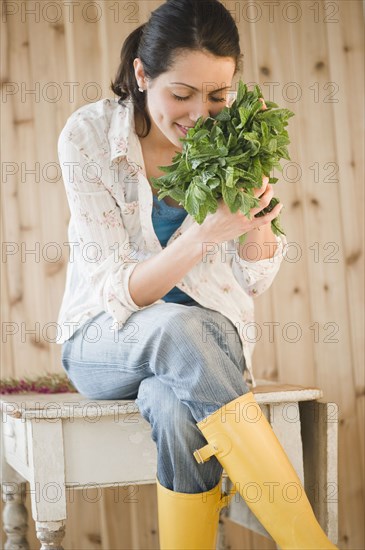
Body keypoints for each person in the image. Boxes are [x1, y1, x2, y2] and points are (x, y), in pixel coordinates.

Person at [57, 0, 337, 548]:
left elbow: (252, 279)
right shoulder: (88, 137)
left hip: (208, 348)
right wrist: (204, 233)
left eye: (217, 96)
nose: (200, 114)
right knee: (176, 327)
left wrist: (256, 221)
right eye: (181, 95)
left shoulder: (236, 136)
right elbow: (123, 291)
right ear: (142, 74)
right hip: (105, 339)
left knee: (173, 406)